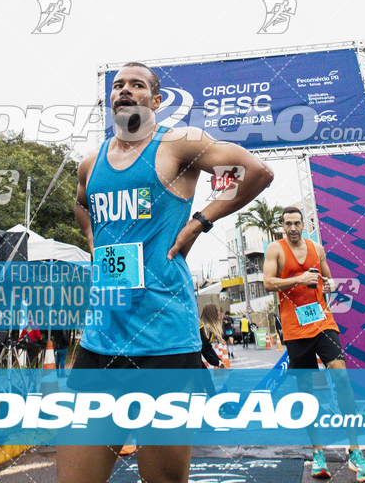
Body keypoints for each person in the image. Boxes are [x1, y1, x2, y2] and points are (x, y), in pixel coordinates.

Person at [56, 62, 274, 483]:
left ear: (156, 101)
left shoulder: (178, 143)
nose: (124, 90)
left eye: (136, 85)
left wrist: (199, 223)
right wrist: (93, 240)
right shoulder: (90, 163)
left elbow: (257, 171)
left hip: (164, 343)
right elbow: (82, 202)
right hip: (101, 338)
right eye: (117, 85)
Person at [263, 206, 365, 483]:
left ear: (304, 224)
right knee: (306, 392)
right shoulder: (275, 250)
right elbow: (267, 283)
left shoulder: (317, 247)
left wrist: (330, 286)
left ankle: (355, 451)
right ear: (282, 226)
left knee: (342, 377)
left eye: (296, 223)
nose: (292, 228)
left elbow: (329, 280)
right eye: (287, 223)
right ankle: (318, 452)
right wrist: (299, 279)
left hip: (323, 323)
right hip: (295, 329)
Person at [199, 304, 228, 369]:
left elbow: (208, 348)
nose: (219, 314)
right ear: (212, 314)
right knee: (205, 377)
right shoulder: (205, 329)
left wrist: (218, 361)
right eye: (217, 312)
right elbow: (205, 350)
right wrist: (217, 362)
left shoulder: (204, 326)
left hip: (190, 357)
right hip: (189, 358)